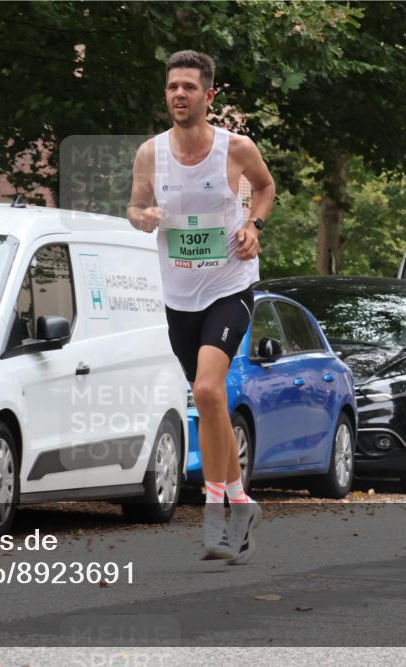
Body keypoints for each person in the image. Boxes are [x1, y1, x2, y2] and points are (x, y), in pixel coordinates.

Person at [127, 50, 275, 565]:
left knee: (208, 389)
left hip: (229, 285)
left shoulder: (235, 149)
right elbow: (133, 204)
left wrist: (254, 227)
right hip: (178, 295)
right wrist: (142, 217)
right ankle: (240, 501)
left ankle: (215, 511)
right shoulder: (151, 154)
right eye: (172, 87)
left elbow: (265, 187)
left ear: (208, 96)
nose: (179, 95)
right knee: (207, 402)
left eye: (189, 87)